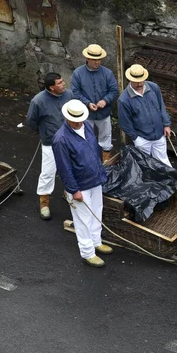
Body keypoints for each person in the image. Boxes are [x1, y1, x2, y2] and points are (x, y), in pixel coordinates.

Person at [52, 99, 112, 268]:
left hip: (95, 179)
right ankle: (87, 252)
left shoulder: (86, 125)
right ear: (67, 118)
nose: (78, 122)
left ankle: (96, 241)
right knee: (83, 219)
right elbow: (64, 168)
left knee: (96, 212)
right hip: (80, 185)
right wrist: (73, 190)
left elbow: (94, 150)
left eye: (80, 118)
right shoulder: (60, 139)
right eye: (75, 120)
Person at [26, 72, 74, 220]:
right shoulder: (38, 101)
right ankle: (44, 203)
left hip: (68, 140)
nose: (63, 84)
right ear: (51, 87)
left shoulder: (69, 95)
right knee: (48, 172)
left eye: (62, 81)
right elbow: (31, 121)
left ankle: (69, 193)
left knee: (71, 168)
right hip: (50, 143)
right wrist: (44, 133)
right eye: (59, 83)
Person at [117, 64, 172, 167]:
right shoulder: (124, 100)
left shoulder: (154, 87)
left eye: (141, 80)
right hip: (142, 139)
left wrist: (166, 124)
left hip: (159, 135)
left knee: (164, 163)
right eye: (136, 81)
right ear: (130, 80)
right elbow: (124, 123)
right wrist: (136, 138)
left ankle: (169, 182)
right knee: (144, 166)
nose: (139, 83)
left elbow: (161, 107)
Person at [71, 44, 119, 163]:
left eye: (99, 59)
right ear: (87, 58)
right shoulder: (78, 73)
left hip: (104, 112)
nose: (97, 62)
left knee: (106, 136)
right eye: (94, 59)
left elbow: (114, 90)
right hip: (86, 113)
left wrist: (105, 100)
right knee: (86, 135)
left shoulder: (107, 73)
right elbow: (76, 92)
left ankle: (106, 157)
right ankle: (88, 158)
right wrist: (87, 103)